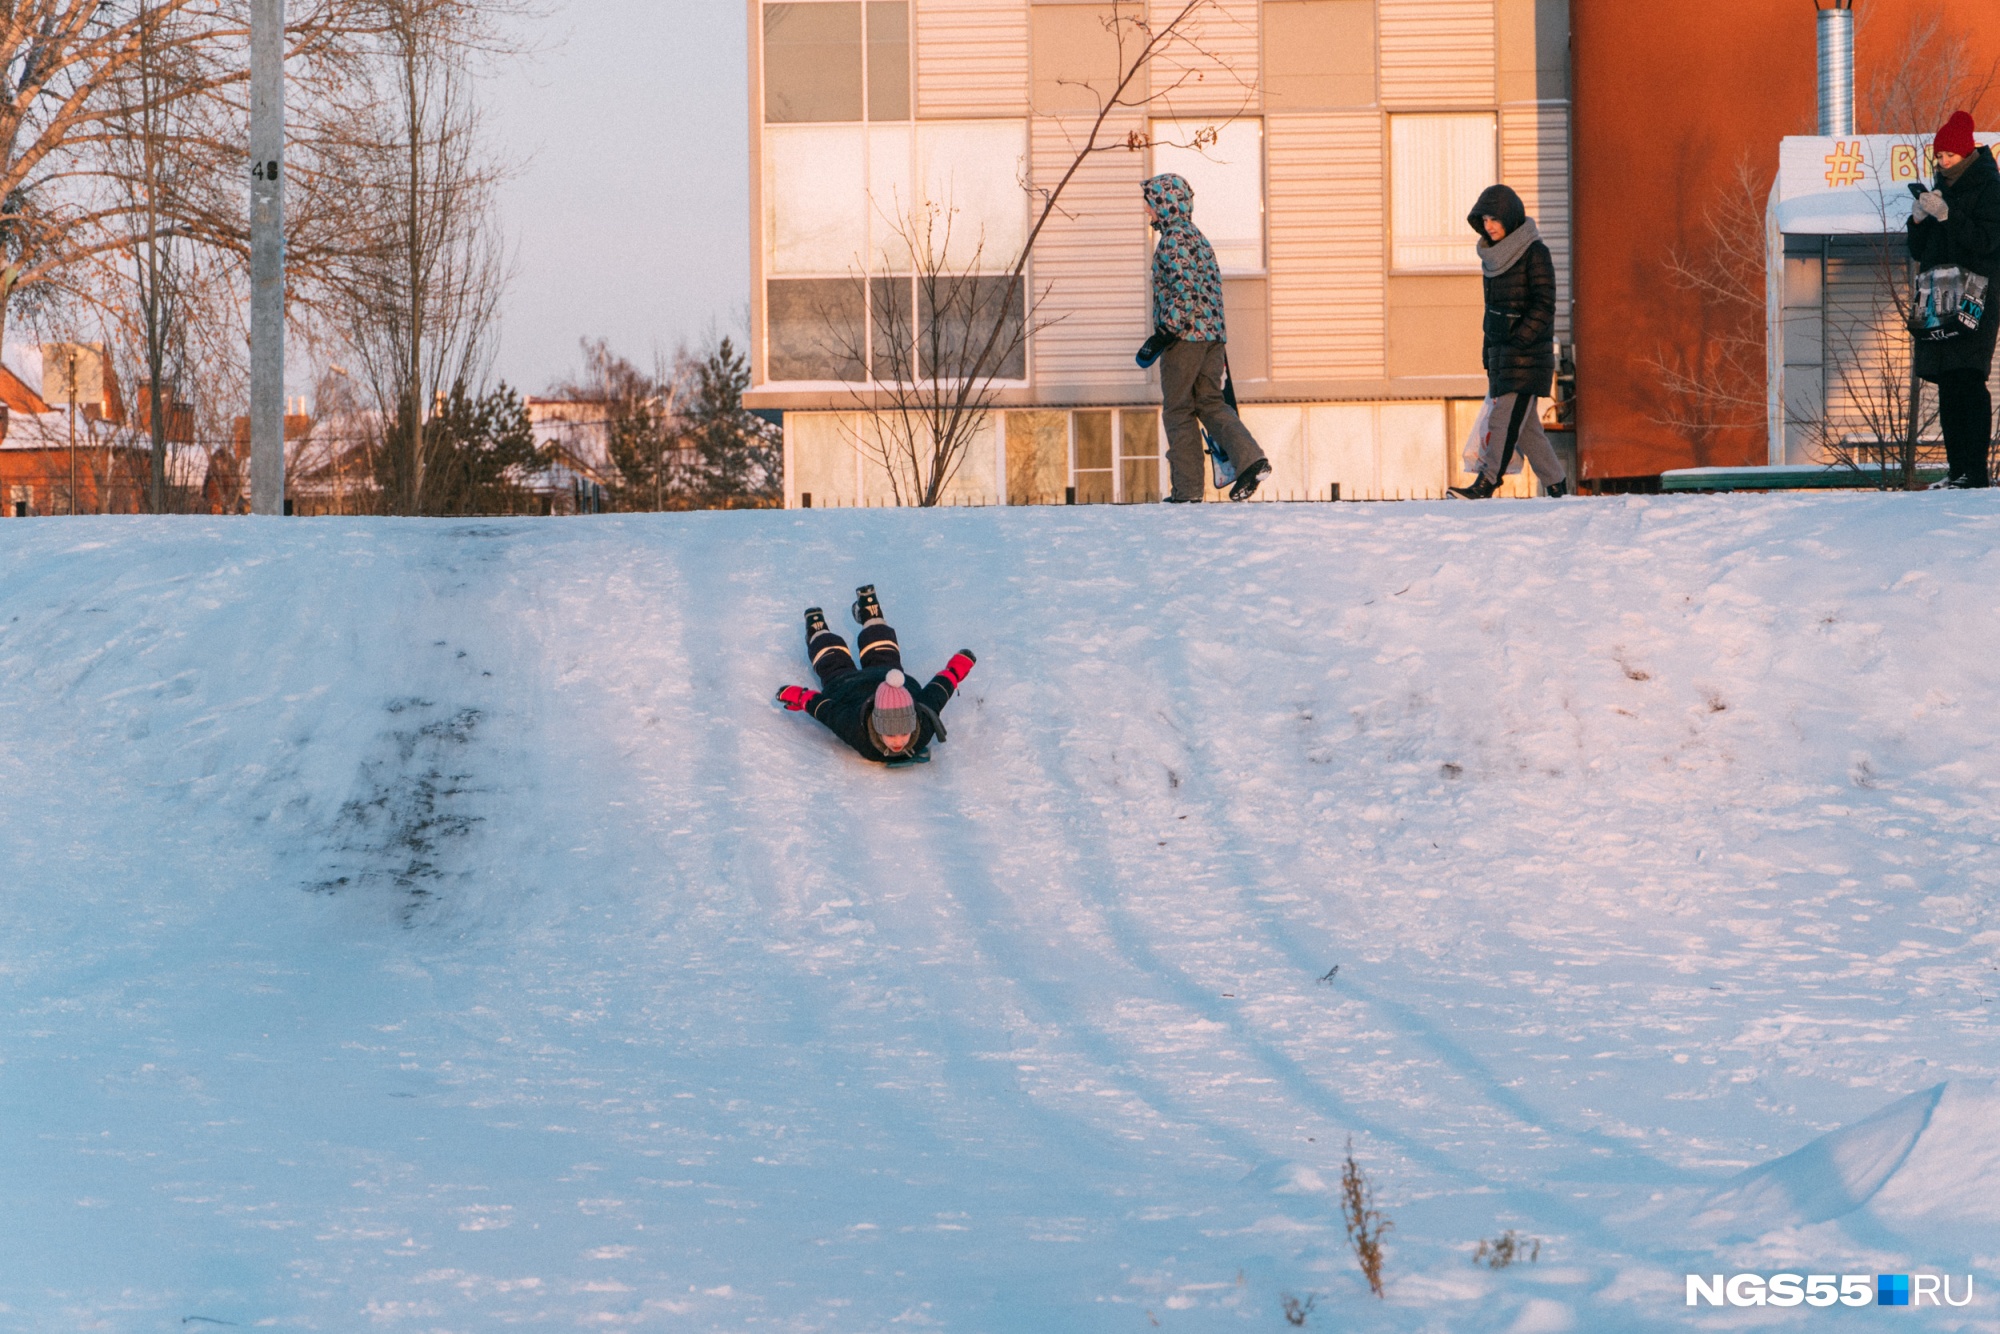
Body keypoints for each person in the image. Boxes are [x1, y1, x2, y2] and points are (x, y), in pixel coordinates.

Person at [1139, 173, 1271, 503]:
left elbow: (1184, 294)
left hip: (1184, 339)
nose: (1147, 211)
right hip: (1213, 338)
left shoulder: (1172, 242)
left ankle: (1187, 492)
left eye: (1150, 204)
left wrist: (1164, 333)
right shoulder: (1199, 239)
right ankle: (1251, 460)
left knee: (1178, 411)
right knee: (1211, 403)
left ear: (1165, 205)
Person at [1450, 184, 1569, 500]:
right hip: (1503, 356)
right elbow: (1493, 313)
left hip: (1527, 355)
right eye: (1484, 219)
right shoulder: (1492, 258)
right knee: (1528, 431)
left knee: (1501, 420)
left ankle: (1486, 482)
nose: (1488, 226)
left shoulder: (1534, 252)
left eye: (1494, 219)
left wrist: (1520, 340)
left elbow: (1544, 304)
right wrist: (1489, 354)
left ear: (1510, 217)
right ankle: (1558, 487)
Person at [774, 584, 976, 765]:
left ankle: (866, 614)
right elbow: (829, 711)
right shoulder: (859, 732)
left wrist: (955, 670)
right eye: (890, 734)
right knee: (834, 665)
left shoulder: (921, 726)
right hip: (849, 688)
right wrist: (802, 697)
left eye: (904, 732)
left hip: (884, 675)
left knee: (882, 652)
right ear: (877, 727)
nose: (898, 741)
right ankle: (819, 630)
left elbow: (936, 694)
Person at [1909, 110, 2000, 489]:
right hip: (1941, 294)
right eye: (1939, 156)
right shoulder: (1939, 190)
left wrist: (1948, 216)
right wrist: (1917, 220)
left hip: (1977, 291)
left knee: (1967, 376)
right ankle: (1958, 469)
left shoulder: (1990, 187)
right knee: (1947, 380)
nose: (1943, 162)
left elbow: (1986, 242)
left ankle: (1974, 472)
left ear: (1966, 153)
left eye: (1949, 155)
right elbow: (1918, 249)